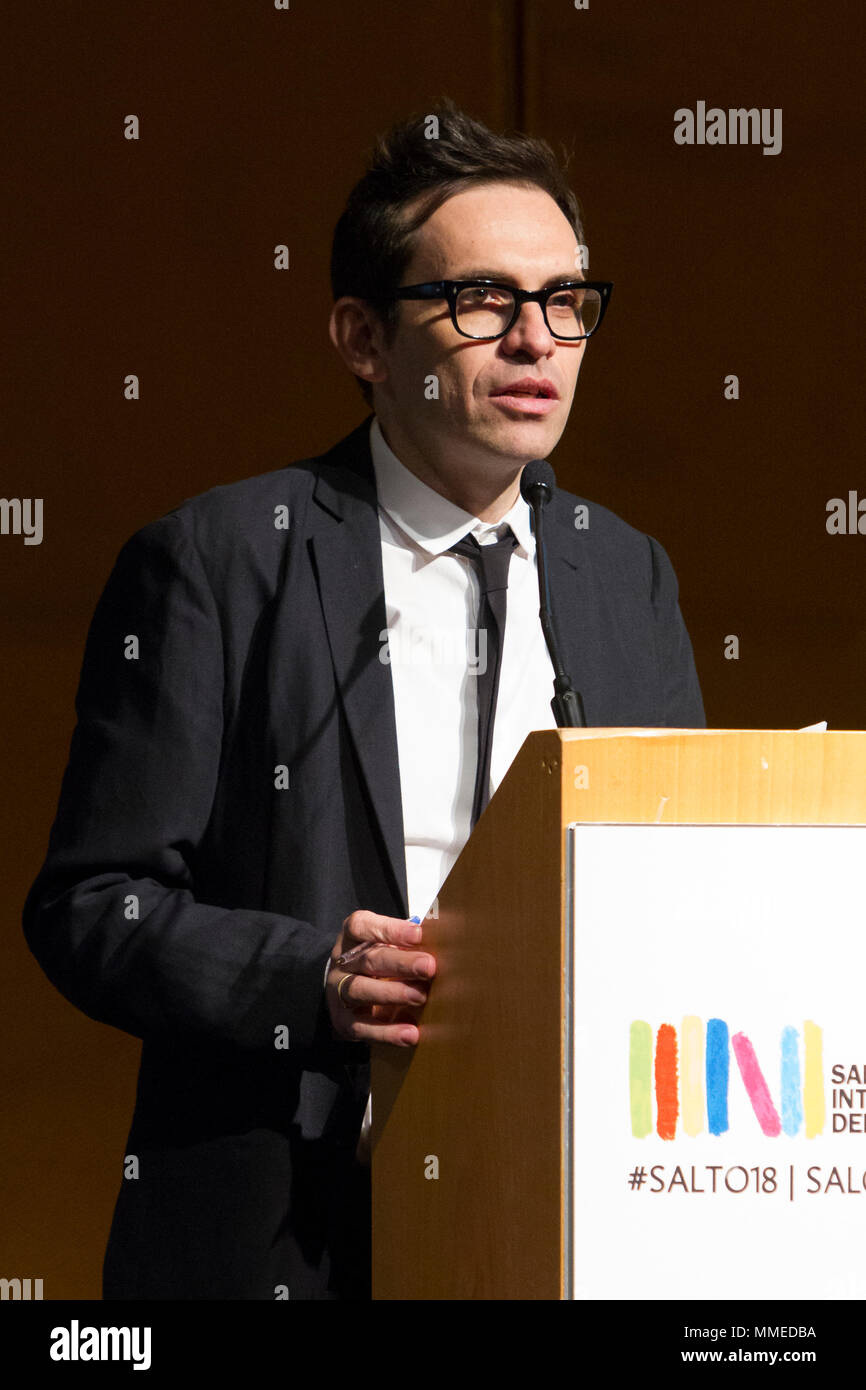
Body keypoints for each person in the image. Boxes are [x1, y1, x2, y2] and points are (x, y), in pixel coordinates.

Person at [22, 99, 705, 1301]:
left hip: (564, 1211)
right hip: (282, 1218)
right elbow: (94, 906)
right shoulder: (220, 559)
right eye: (480, 301)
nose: (534, 341)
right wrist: (309, 981)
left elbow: (683, 881)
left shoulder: (623, 569)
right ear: (361, 337)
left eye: (565, 302)